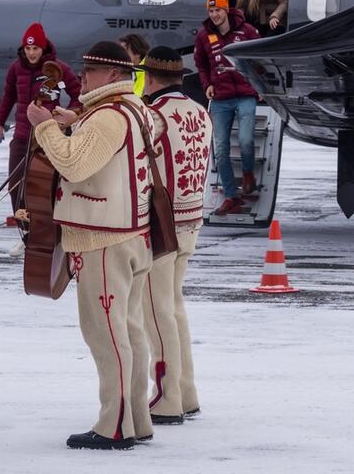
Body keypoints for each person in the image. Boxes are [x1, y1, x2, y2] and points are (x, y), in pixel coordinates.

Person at [28, 41, 155, 450]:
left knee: (106, 334)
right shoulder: (134, 109)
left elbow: (74, 164)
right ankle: (136, 417)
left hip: (104, 238)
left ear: (114, 75)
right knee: (130, 332)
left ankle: (113, 425)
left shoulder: (107, 118)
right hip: (132, 234)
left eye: (93, 70)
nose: (82, 75)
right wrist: (77, 118)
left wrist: (45, 126)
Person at [138, 47, 212, 425]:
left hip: (161, 224)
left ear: (149, 78)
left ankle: (167, 396)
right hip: (191, 219)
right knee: (174, 307)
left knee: (156, 311)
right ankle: (185, 391)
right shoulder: (200, 111)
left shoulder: (153, 116)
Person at [0, 22, 80, 255]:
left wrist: (66, 116)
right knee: (16, 185)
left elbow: (78, 94)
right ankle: (27, 234)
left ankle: (51, 233)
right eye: (28, 49)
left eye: (35, 49)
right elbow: (8, 95)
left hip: (48, 137)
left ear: (43, 49)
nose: (31, 53)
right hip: (22, 136)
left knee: (44, 187)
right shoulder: (16, 68)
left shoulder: (58, 69)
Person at [193, 0, 260, 216]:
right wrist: (206, 85)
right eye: (211, 11)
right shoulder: (204, 36)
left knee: (246, 140)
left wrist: (260, 86)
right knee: (220, 150)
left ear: (227, 9)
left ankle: (249, 173)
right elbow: (201, 65)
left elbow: (260, 58)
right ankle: (232, 195)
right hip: (221, 98)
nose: (214, 15)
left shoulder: (247, 31)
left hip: (245, 95)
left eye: (218, 10)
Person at [119, 33, 150, 98]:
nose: (119, 55)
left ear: (137, 53)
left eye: (124, 52)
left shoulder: (150, 73)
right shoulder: (124, 70)